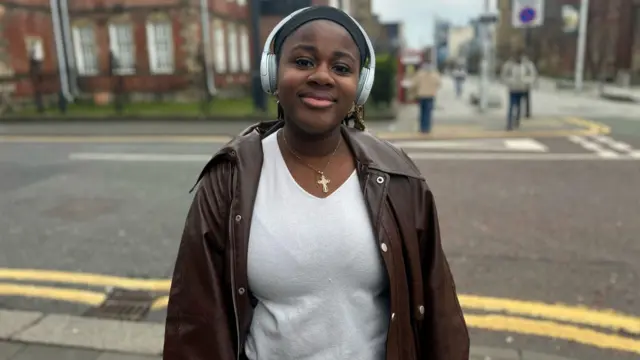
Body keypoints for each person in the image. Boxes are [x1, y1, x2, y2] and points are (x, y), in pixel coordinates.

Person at [163, 6, 469, 360]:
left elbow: (439, 310)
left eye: (341, 68)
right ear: (272, 73)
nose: (322, 76)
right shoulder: (229, 180)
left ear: (360, 87)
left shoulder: (400, 178)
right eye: (304, 62)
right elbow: (195, 322)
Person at [500, 53, 535, 130]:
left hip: (522, 88)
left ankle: (517, 120)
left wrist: (527, 82)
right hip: (513, 88)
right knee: (511, 106)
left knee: (519, 105)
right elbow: (504, 75)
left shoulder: (527, 64)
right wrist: (509, 82)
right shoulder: (509, 64)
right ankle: (509, 124)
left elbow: (532, 74)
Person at [411, 62, 442, 133]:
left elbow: (414, 84)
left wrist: (414, 91)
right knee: (428, 112)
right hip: (430, 95)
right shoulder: (435, 74)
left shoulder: (419, 74)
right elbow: (439, 83)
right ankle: (427, 128)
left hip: (421, 95)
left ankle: (422, 128)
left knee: (422, 112)